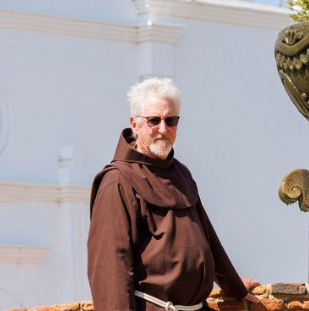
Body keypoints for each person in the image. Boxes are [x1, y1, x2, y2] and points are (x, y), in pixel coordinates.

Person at [87, 77, 259, 311]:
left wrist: (235, 287)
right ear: (135, 124)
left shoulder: (181, 173)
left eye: (171, 120)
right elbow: (110, 268)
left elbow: (207, 238)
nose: (163, 129)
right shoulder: (117, 181)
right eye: (154, 120)